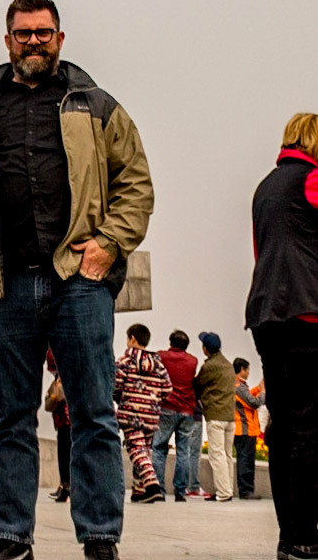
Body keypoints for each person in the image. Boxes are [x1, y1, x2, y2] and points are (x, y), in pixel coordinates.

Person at [0, 0, 154, 560]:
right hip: (6, 288)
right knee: (10, 419)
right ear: (7, 40)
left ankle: (100, 536)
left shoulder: (97, 105)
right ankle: (11, 536)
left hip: (77, 284)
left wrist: (107, 247)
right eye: (23, 32)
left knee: (94, 415)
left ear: (60, 38)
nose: (34, 40)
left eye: (44, 32)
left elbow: (136, 185)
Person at [245, 110, 318, 559]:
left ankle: (291, 536)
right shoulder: (312, 179)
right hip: (308, 312)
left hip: (266, 315)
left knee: (285, 427)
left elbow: (261, 251)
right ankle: (308, 536)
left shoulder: (265, 189)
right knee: (311, 427)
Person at [113, 324, 170, 502]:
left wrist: (121, 397)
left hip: (131, 413)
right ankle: (139, 490)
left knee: (135, 449)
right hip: (151, 415)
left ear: (132, 338)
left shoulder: (125, 361)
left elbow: (115, 385)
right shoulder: (158, 364)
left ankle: (152, 485)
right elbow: (168, 388)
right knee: (145, 449)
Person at [151, 329, 198, 500]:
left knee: (158, 448)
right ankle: (180, 492)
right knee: (183, 451)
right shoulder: (193, 361)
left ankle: (159, 489)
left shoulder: (161, 356)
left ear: (171, 342)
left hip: (166, 406)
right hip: (187, 410)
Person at [193, 332, 235, 502]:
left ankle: (223, 493)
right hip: (230, 416)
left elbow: (197, 384)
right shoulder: (228, 365)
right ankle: (228, 489)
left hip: (215, 416)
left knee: (216, 455)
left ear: (205, 349)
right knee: (227, 455)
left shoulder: (209, 366)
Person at [232, 359, 264, 500]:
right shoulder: (238, 386)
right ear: (242, 369)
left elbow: (248, 396)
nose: (249, 372)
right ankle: (246, 491)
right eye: (248, 369)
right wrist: (262, 393)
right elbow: (253, 402)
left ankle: (247, 490)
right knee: (246, 461)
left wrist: (258, 388)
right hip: (244, 429)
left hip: (247, 429)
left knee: (247, 460)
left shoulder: (239, 385)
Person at [44, 351, 71, 503]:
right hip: (77, 412)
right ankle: (69, 485)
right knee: (71, 448)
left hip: (65, 415)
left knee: (64, 449)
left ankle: (65, 486)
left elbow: (51, 359)